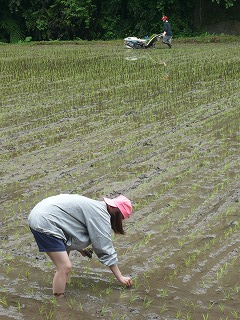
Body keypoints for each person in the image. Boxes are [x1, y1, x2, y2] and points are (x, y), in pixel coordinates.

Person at [28, 193, 133, 297]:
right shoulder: (101, 216)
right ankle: (59, 302)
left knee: (64, 256)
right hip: (45, 221)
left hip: (38, 213)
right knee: (65, 267)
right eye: (122, 219)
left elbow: (73, 227)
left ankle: (63, 284)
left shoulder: (95, 206)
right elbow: (104, 248)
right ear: (118, 215)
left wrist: (80, 248)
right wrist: (120, 277)